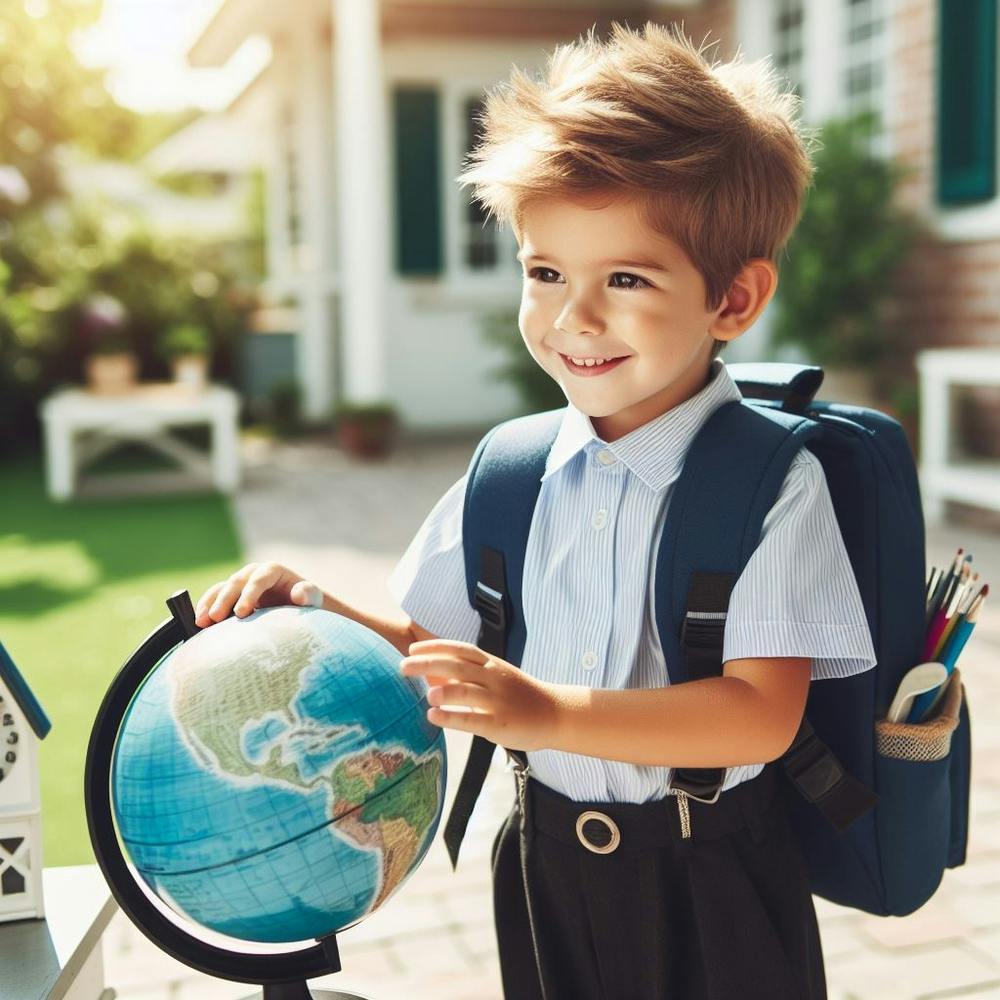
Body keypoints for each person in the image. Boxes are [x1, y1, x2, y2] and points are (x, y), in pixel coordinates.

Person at [196, 21, 877, 999]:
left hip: (714, 873)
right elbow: (436, 652)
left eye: (625, 279)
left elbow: (757, 716)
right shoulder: (511, 470)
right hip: (545, 863)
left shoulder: (767, 480)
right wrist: (316, 609)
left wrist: (545, 710)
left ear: (733, 298)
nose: (571, 318)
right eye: (544, 271)